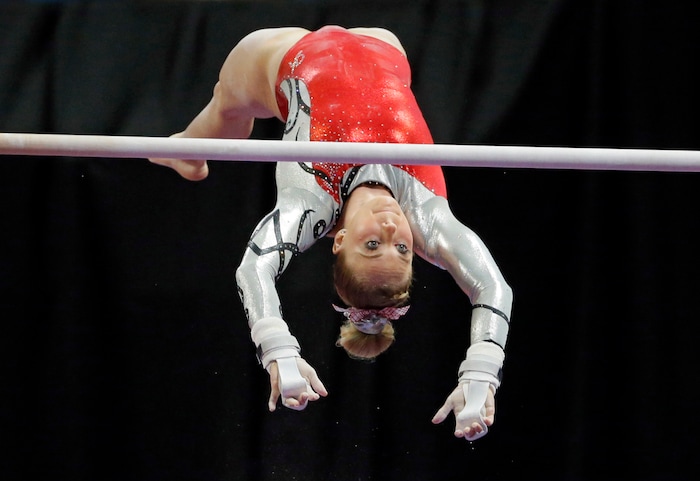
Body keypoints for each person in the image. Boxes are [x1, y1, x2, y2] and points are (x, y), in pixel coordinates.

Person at [150, 26, 512, 441]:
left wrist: (278, 350)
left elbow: (254, 270)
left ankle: (188, 148)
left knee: (228, 108)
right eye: (403, 250)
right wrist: (483, 373)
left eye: (373, 245)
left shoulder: (310, 202)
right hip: (383, 48)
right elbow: (493, 288)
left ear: (338, 241)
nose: (394, 228)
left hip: (285, 55)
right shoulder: (426, 215)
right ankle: (191, 152)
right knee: (236, 114)